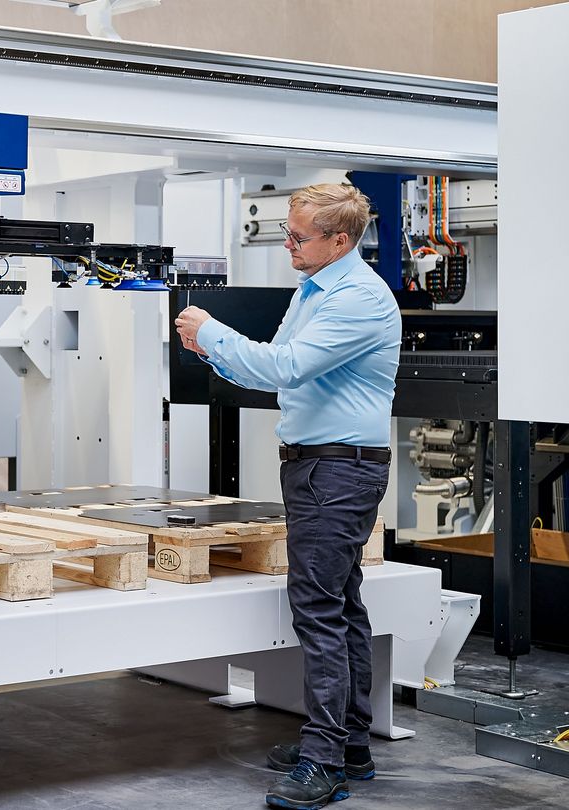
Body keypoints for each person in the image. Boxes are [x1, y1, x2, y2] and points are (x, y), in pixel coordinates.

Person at [174, 183, 400, 810]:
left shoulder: (357, 299)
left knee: (319, 610)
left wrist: (212, 331)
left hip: (337, 472)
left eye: (299, 237)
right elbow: (272, 368)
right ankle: (350, 745)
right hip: (317, 468)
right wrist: (210, 350)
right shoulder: (314, 289)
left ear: (340, 240)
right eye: (287, 233)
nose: (288, 246)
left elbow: (284, 367)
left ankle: (324, 761)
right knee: (340, 604)